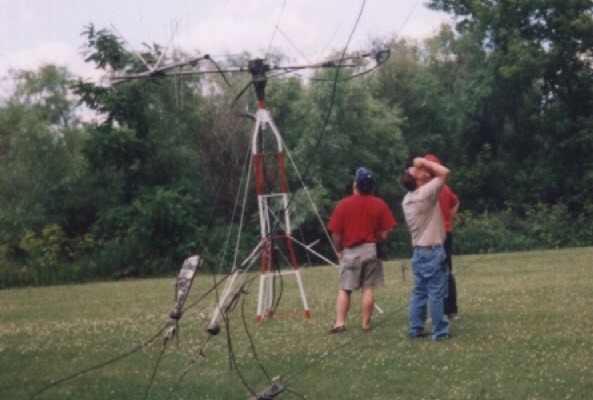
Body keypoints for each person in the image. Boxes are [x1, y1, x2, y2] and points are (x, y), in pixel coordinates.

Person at [327, 167, 397, 333]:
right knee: (368, 288)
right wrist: (381, 241)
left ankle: (340, 323)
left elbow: (336, 233)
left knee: (345, 288)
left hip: (350, 250)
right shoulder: (379, 204)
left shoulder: (343, 205)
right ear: (371, 187)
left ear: (355, 185)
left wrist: (339, 250)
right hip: (371, 250)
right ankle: (365, 324)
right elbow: (388, 230)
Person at [401, 157, 451, 340]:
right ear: (419, 181)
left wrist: (419, 168)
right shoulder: (425, 195)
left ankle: (416, 329)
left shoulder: (407, 200)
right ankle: (440, 332)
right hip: (433, 251)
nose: (419, 170)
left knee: (419, 292)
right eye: (416, 172)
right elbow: (444, 172)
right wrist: (423, 161)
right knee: (436, 293)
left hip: (418, 251)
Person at [425, 154, 460, 320]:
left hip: (434, 234)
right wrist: (448, 218)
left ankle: (440, 312)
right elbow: (456, 202)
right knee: (447, 271)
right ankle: (451, 310)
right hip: (447, 232)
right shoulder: (444, 187)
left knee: (434, 272)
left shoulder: (429, 188)